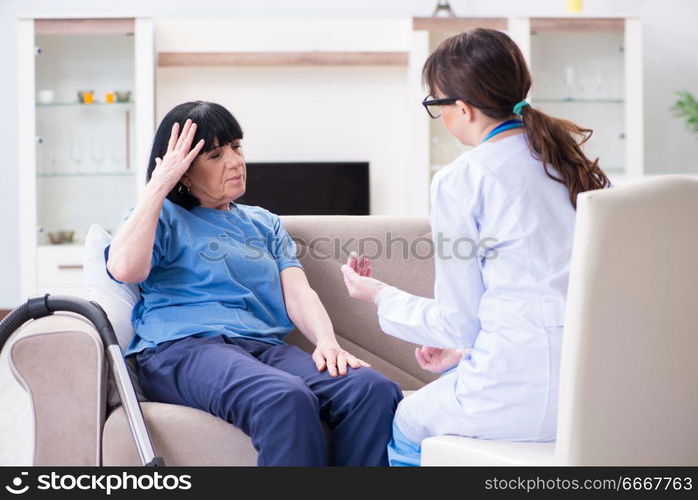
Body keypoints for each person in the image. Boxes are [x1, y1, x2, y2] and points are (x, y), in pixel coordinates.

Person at [340, 28, 610, 466]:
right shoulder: (574, 167)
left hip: (511, 397)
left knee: (407, 421)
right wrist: (466, 354)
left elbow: (458, 321)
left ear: (461, 108)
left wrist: (378, 295)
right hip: (591, 393)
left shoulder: (461, 180)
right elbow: (543, 299)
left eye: (435, 104)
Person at [105, 101, 402, 466]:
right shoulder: (161, 216)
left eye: (236, 147)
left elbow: (297, 291)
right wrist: (158, 186)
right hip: (180, 350)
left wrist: (327, 343)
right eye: (215, 155)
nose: (234, 161)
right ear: (182, 171)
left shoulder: (264, 223)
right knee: (283, 396)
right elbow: (125, 269)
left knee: (371, 389)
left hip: (260, 349)